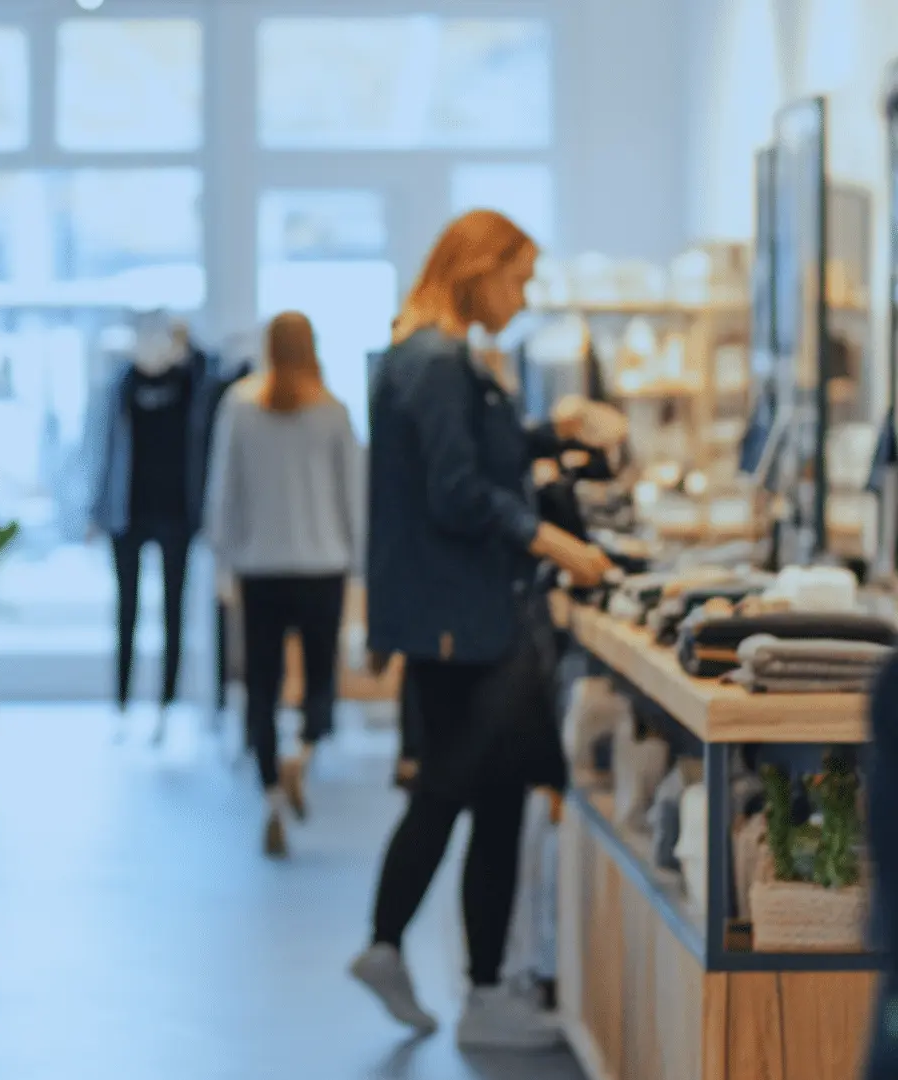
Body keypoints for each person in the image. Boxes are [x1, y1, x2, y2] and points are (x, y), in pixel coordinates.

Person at [347, 209, 612, 1051]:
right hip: (462, 624)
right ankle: (401, 952)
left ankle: (483, 989)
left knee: (489, 792)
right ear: (479, 268)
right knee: (455, 792)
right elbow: (458, 490)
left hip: (464, 620)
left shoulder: (431, 355)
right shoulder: (434, 360)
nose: (523, 296)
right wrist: (553, 540)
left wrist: (549, 432)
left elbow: (472, 458)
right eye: (519, 278)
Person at [203, 311, 362, 857]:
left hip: (260, 567)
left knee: (262, 686)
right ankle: (303, 752)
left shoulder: (241, 407)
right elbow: (353, 498)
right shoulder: (333, 411)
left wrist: (223, 559)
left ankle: (271, 794)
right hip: (322, 566)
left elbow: (223, 493)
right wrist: (358, 562)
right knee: (320, 678)